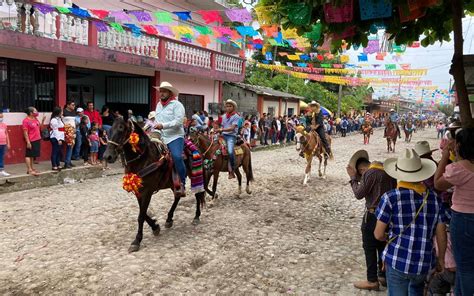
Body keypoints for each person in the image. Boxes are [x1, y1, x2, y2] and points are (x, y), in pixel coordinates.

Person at [374, 148, 448, 296]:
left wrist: (388, 238)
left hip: (398, 261)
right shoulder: (434, 198)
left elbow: (378, 234)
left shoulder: (390, 197)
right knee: (416, 290)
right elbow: (441, 234)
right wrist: (441, 259)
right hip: (423, 263)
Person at [347, 150, 396, 291]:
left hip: (373, 215)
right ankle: (383, 275)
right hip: (387, 216)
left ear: (361, 170)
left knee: (369, 247)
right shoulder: (387, 169)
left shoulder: (369, 173)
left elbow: (358, 194)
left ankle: (372, 280)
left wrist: (353, 178)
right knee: (382, 245)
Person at [434, 128, 474, 296]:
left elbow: (438, 183)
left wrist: (445, 156)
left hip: (463, 219)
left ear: (459, 145)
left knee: (464, 267)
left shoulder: (459, 169)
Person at [153, 82, 186, 197]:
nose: (161, 93)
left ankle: (182, 183)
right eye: (160, 91)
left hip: (175, 136)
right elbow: (156, 121)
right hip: (161, 136)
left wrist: (163, 125)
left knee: (177, 157)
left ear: (170, 93)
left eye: (164, 91)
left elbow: (178, 122)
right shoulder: (158, 105)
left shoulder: (177, 105)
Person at [217, 99, 240, 179]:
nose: (228, 108)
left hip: (231, 136)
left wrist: (222, 130)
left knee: (230, 151)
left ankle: (232, 170)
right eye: (227, 106)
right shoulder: (223, 116)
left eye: (230, 106)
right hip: (223, 135)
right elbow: (222, 126)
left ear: (233, 107)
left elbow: (232, 128)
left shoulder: (236, 116)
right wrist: (217, 130)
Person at [22, 107, 44, 176]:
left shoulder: (35, 119)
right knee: (28, 154)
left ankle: (32, 168)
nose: (37, 112)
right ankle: (29, 169)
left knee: (32, 155)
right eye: (35, 111)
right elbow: (25, 132)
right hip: (31, 139)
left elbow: (40, 127)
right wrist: (28, 142)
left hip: (37, 138)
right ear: (31, 113)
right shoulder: (25, 121)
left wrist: (43, 121)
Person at [49, 107, 65, 171]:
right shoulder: (54, 120)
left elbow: (62, 126)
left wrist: (62, 118)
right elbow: (55, 130)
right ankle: (54, 165)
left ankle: (58, 164)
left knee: (58, 151)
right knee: (55, 151)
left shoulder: (59, 119)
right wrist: (58, 139)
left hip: (60, 137)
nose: (62, 113)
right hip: (55, 137)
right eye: (61, 112)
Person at [0, 111, 11, 177]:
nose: (1, 118)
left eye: (2, 117)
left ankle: (1, 170)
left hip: (3, 143)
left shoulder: (4, 125)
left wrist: (8, 143)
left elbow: (6, 134)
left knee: (1, 157)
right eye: (0, 117)